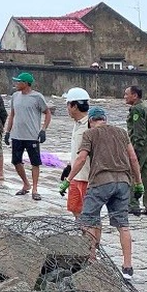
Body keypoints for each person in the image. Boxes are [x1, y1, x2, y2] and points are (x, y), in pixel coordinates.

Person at [60, 107, 143, 280]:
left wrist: (68, 179)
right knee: (123, 225)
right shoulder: (121, 132)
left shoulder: (89, 134)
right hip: (123, 183)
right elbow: (133, 158)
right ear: (104, 119)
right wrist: (138, 183)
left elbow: (81, 159)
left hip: (100, 182)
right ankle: (128, 267)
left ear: (90, 121)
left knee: (89, 221)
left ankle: (91, 259)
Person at [3, 72, 51, 200]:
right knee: (16, 162)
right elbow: (12, 114)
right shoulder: (15, 96)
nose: (16, 84)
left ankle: (35, 189)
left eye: (19, 82)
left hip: (32, 136)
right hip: (17, 135)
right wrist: (7, 132)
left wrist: (43, 130)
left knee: (35, 163)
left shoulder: (37, 97)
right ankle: (26, 184)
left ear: (26, 83)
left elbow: (47, 113)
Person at [124, 85, 147, 217]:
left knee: (133, 174)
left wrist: (135, 150)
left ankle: (133, 205)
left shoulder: (136, 110)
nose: (124, 97)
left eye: (127, 94)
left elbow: (138, 132)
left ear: (135, 95)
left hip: (141, 148)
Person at [61, 87, 91, 217]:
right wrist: (69, 166)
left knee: (89, 214)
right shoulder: (77, 124)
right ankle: (81, 234)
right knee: (75, 209)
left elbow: (85, 156)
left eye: (68, 105)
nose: (67, 108)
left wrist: (68, 179)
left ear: (74, 106)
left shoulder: (90, 125)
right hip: (74, 176)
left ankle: (91, 237)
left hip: (86, 178)